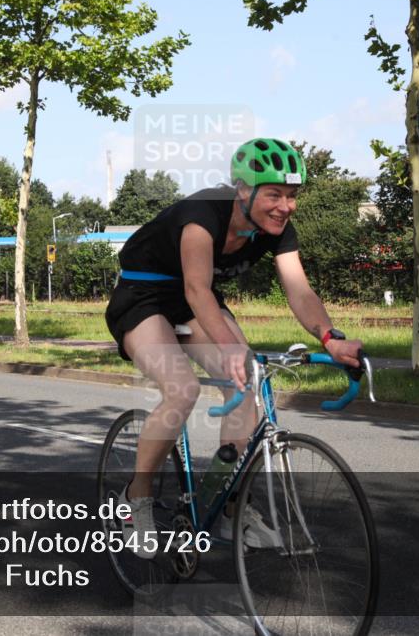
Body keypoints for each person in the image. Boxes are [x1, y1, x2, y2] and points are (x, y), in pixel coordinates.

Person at [105, 138, 365, 558]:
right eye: (275, 194)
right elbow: (196, 288)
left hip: (196, 302)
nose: (286, 206)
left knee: (248, 384)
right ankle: (136, 500)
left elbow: (299, 291)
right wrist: (227, 347)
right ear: (243, 191)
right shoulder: (201, 215)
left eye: (292, 196)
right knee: (182, 389)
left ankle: (226, 508)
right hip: (144, 298)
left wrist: (331, 339)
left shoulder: (276, 230)